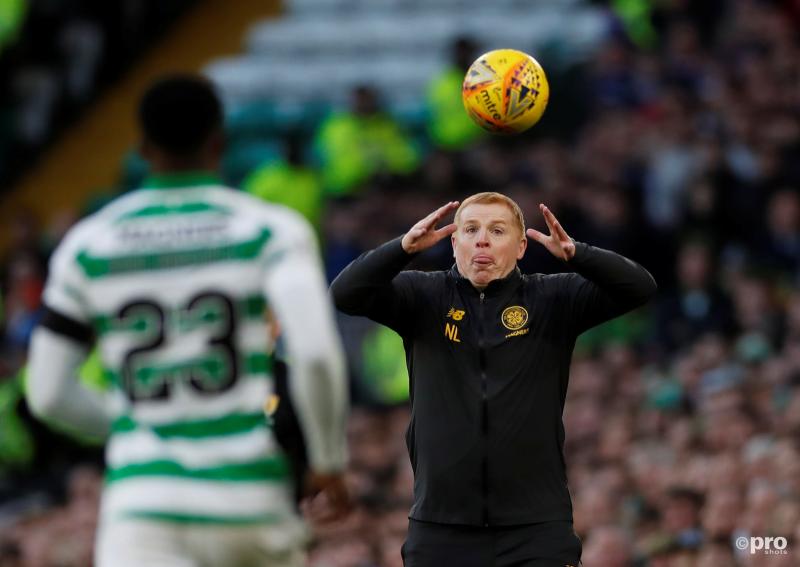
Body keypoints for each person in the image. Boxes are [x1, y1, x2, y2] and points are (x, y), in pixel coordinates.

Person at [26, 74, 350, 567]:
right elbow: (315, 356)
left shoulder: (89, 244)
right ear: (219, 142)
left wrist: (136, 430)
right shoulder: (270, 231)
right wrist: (328, 461)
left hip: (145, 507)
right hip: (250, 500)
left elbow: (48, 394)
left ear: (142, 148)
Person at [331, 192, 657, 567]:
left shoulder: (552, 298)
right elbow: (345, 294)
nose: (482, 239)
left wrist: (577, 253)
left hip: (536, 529)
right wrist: (402, 249)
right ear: (454, 243)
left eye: (497, 230)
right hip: (441, 529)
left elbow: (639, 288)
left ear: (521, 247)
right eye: (470, 229)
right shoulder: (422, 295)